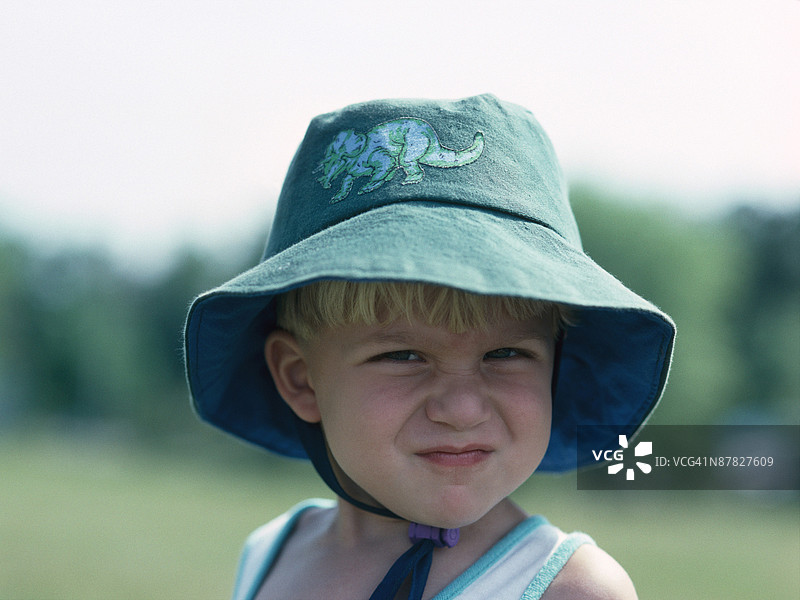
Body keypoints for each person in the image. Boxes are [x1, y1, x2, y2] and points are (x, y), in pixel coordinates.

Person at [184, 94, 675, 599]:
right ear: (300, 377)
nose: (461, 410)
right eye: (403, 356)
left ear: (555, 363)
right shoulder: (271, 553)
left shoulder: (567, 589)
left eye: (505, 354)